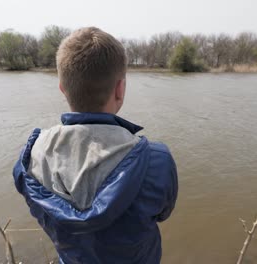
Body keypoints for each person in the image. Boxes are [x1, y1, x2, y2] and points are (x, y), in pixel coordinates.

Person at [12, 27, 178, 264]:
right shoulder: (156, 160)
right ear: (120, 90)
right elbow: (162, 213)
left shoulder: (31, 157)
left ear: (62, 88)